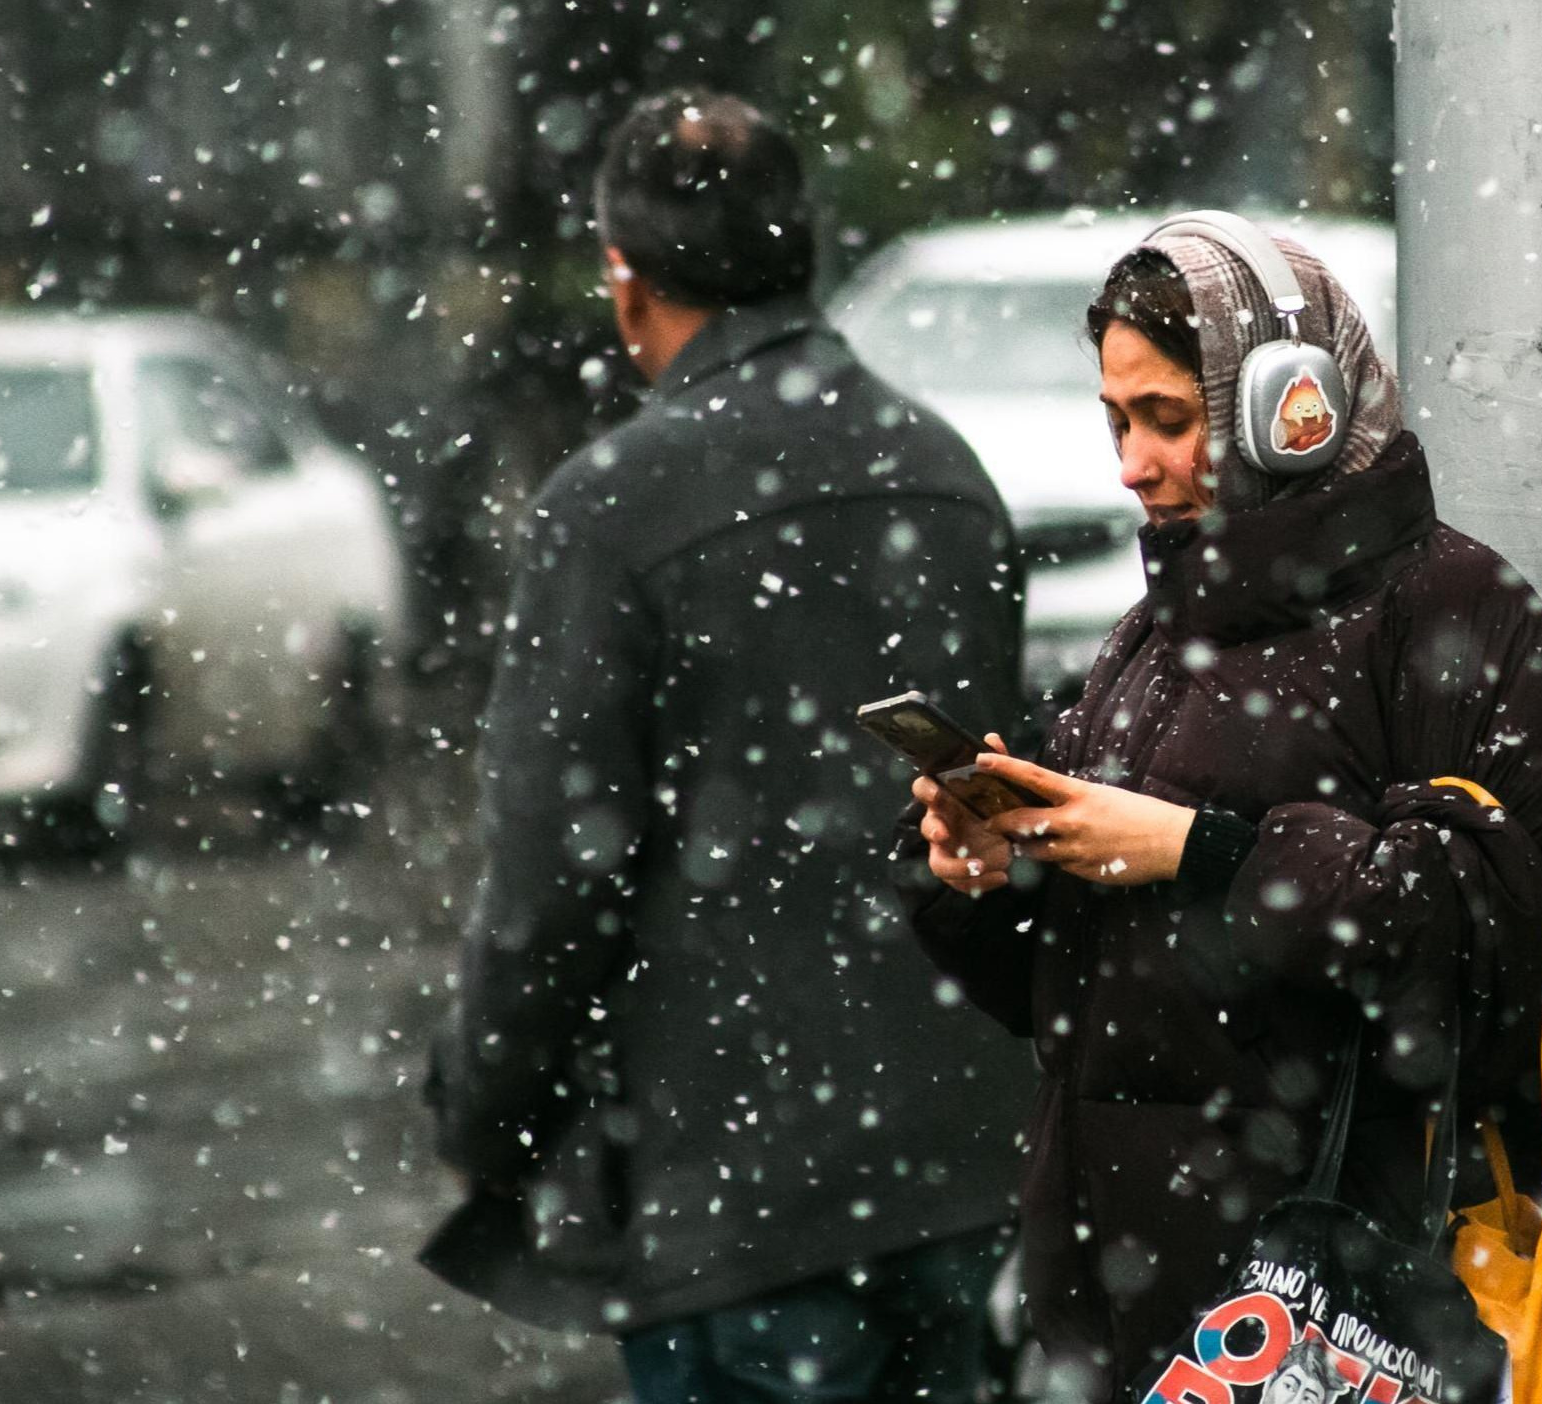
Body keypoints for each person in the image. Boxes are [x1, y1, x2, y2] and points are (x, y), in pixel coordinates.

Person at [895, 213, 1542, 1398]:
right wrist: (986, 869)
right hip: (1153, 1323)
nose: (1131, 465)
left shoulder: (1456, 619)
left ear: (1291, 409)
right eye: (1115, 421)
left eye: (1167, 419)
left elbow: (1485, 934)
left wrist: (1204, 856)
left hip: (1354, 1321)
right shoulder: (1155, 634)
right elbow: (1082, 995)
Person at [423, 89, 1032, 1404]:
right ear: (801, 251)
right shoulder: (947, 472)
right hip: (961, 1172)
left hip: (741, 1195)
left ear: (625, 281)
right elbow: (1003, 814)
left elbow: (552, 875)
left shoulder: (607, 510)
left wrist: (486, 1112)